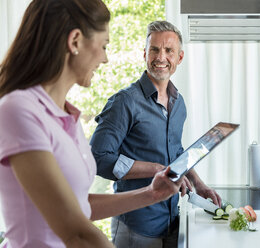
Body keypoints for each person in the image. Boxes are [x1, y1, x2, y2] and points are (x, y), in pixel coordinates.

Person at [0, 1, 189, 247]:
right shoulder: (20, 110)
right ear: (75, 41)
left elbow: (80, 205)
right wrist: (153, 169)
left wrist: (151, 193)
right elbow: (75, 231)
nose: (105, 58)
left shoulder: (68, 117)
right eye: (103, 45)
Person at [90, 20, 222, 248]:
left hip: (170, 218)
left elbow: (175, 151)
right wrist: (158, 169)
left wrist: (198, 183)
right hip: (136, 222)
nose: (161, 57)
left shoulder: (179, 103)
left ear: (179, 58)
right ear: (145, 54)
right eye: (154, 49)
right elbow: (99, 158)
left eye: (169, 50)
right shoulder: (125, 102)